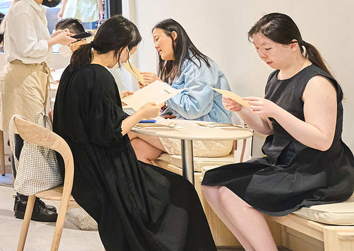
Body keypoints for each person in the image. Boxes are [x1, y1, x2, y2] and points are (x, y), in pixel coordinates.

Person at [53, 15, 217, 251]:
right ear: (120, 49)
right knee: (181, 190)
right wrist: (141, 112)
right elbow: (110, 134)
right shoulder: (100, 76)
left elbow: (84, 113)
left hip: (79, 164)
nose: (128, 58)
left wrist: (114, 101)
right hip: (102, 171)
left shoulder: (76, 68)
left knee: (171, 184)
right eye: (130, 52)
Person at [202, 13, 354, 251]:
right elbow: (267, 128)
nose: (262, 55)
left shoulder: (316, 82)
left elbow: (323, 141)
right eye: (258, 48)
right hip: (285, 164)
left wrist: (277, 111)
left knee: (231, 194)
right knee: (211, 184)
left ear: (292, 46)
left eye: (267, 48)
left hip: (318, 170)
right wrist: (242, 109)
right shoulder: (276, 77)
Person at [0, 0, 73, 222]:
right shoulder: (22, 10)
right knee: (25, 138)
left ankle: (29, 197)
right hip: (22, 78)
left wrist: (54, 40)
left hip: (31, 76)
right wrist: (54, 41)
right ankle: (25, 199)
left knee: (30, 137)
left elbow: (32, 45)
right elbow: (28, 48)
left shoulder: (32, 9)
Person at [131, 19, 234, 164]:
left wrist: (162, 88)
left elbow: (194, 109)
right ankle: (154, 187)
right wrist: (155, 92)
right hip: (190, 131)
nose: (155, 46)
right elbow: (177, 107)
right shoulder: (178, 67)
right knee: (137, 148)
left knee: (129, 129)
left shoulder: (198, 65)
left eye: (157, 39)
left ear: (173, 35)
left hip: (211, 137)